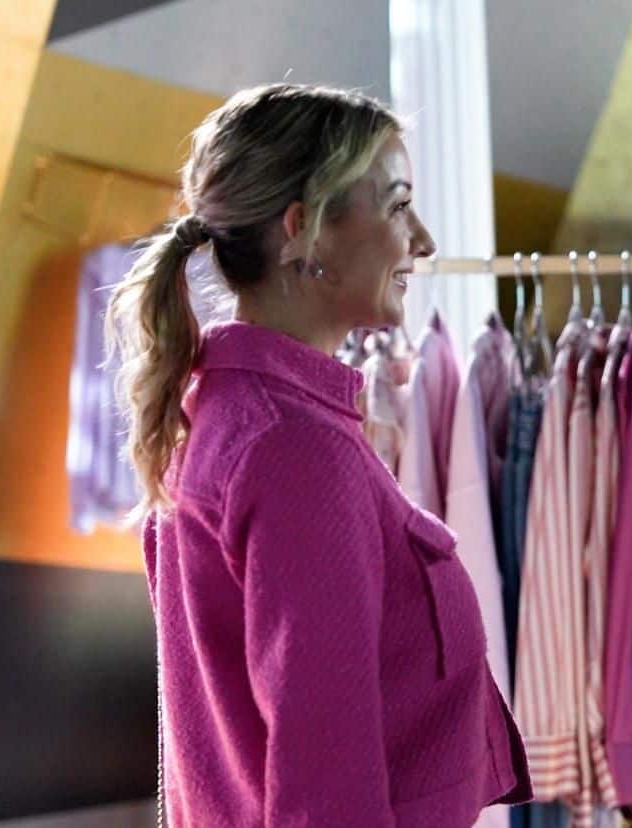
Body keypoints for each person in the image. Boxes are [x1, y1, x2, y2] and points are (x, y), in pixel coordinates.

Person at [106, 84, 531, 826]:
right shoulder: (292, 448)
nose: (423, 240)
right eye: (397, 206)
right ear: (302, 230)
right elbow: (325, 785)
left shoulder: (233, 414)